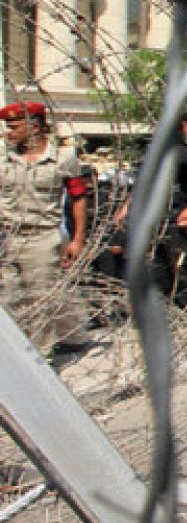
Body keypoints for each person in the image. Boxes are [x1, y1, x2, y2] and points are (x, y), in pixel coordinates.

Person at [0, 101, 89, 354]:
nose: (9, 131)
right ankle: (70, 337)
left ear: (35, 126)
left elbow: (78, 198)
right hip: (8, 237)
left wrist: (77, 238)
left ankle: (42, 355)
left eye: (14, 126)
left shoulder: (63, 159)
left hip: (42, 237)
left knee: (39, 298)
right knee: (10, 298)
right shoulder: (4, 158)